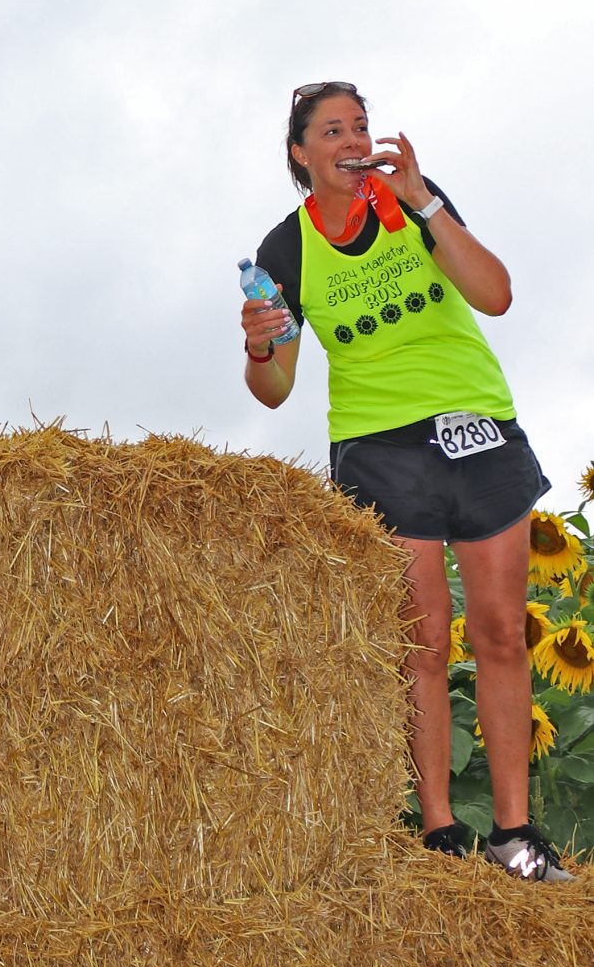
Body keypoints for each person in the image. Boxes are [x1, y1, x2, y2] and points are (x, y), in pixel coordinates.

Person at [242, 81, 568, 882]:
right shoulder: (283, 251)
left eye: (360, 126)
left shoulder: (415, 203)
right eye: (332, 130)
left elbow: (495, 296)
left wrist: (424, 202)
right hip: (379, 446)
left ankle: (514, 836)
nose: (354, 141)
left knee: (499, 633)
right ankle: (439, 834)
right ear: (299, 153)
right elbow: (273, 388)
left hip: (476, 425)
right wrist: (257, 344)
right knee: (420, 641)